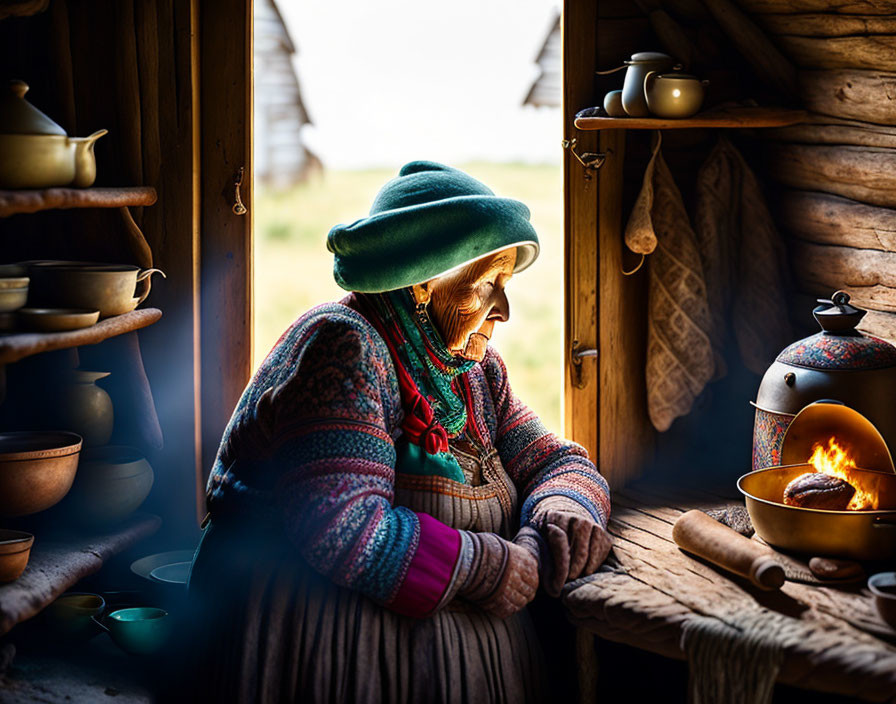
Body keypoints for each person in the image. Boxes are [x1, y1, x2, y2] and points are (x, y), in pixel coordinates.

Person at [188, 161, 612, 704]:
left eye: (504, 286)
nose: (503, 311)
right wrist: (494, 565)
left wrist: (562, 512)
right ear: (421, 284)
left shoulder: (474, 372)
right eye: (485, 286)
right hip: (313, 653)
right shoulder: (344, 348)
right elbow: (343, 528)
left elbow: (557, 461)